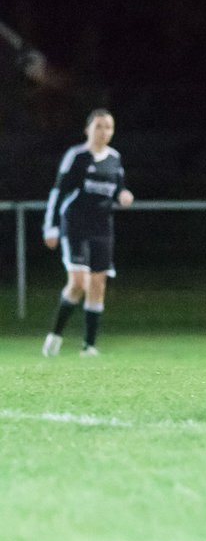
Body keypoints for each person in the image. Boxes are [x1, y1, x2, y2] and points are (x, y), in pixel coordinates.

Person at [41, 109, 134, 356]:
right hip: (75, 226)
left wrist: (123, 195)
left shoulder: (115, 157)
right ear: (88, 129)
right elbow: (58, 193)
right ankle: (55, 336)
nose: (104, 132)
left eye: (109, 127)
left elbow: (118, 187)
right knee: (78, 283)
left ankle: (89, 346)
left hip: (103, 228)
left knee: (97, 284)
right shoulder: (76, 156)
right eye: (99, 126)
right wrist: (50, 226)